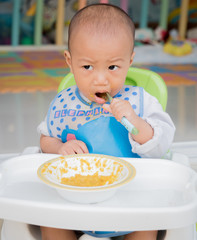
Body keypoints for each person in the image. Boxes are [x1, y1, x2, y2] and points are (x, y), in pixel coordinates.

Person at [37, 3, 175, 240]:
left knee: (150, 219)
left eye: (112, 66)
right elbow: (45, 139)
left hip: (132, 201)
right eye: (87, 66)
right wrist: (59, 147)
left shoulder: (140, 101)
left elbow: (160, 144)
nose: (101, 80)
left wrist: (134, 121)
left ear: (130, 60)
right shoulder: (63, 103)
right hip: (75, 202)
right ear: (70, 62)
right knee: (48, 220)